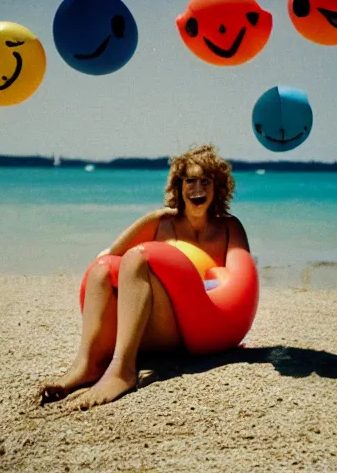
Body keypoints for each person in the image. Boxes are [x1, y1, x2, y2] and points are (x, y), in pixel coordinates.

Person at [37, 144, 251, 410]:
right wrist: (152, 217)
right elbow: (109, 255)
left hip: (199, 328)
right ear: (179, 187)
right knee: (103, 269)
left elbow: (242, 282)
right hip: (151, 328)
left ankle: (122, 371)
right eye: (190, 181)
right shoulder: (162, 223)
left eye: (205, 181)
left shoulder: (229, 228)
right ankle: (87, 365)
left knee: (139, 258)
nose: (197, 189)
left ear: (217, 188)